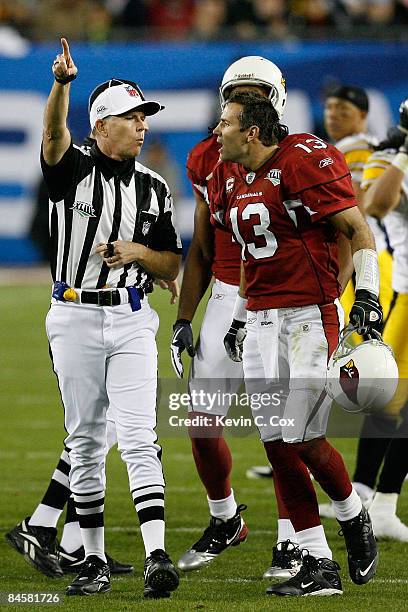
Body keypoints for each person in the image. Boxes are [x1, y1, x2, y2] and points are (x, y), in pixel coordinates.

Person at [210, 91, 380, 596]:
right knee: (278, 446)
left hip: (309, 316)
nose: (217, 132)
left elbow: (357, 229)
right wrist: (241, 317)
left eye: (226, 124)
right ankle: (319, 561)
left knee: (303, 436)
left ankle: (353, 516)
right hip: (261, 320)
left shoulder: (303, 158)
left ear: (252, 132)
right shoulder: (230, 174)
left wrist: (365, 296)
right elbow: (251, 256)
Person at [30, 38, 182, 598]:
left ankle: (157, 554)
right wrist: (62, 85)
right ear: (100, 126)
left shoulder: (154, 188)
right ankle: (90, 558)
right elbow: (51, 136)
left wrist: (141, 255)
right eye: (131, 117)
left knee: (140, 435)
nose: (142, 126)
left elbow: (171, 258)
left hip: (132, 317)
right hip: (72, 316)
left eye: (144, 117)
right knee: (87, 439)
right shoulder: (71, 170)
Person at [171, 56, 302, 579]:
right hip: (228, 292)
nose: (245, 105)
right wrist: (185, 316)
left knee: (285, 431)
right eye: (237, 96)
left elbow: (338, 235)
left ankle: (295, 538)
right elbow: (203, 246)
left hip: (281, 299)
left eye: (256, 96)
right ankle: (225, 518)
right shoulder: (208, 156)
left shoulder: (299, 156)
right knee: (201, 424)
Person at [352, 98, 408, 541]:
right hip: (407, 298)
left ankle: (382, 502)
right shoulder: (388, 158)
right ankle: (365, 493)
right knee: (386, 402)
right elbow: (378, 205)